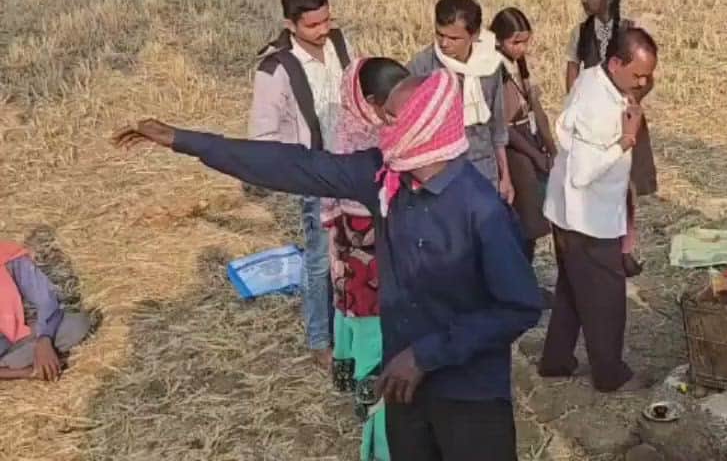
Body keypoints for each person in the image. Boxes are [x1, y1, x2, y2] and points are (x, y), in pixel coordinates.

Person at [115, 69, 542, 461]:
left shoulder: (481, 209)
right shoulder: (384, 178)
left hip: (469, 395)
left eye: (391, 119)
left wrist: (426, 356)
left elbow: (518, 306)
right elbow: (294, 165)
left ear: (422, 128)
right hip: (403, 386)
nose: (381, 127)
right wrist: (185, 141)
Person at [540, 28, 658, 393]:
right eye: (637, 74)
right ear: (615, 63)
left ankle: (556, 360)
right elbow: (582, 173)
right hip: (587, 220)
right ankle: (610, 373)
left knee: (573, 290)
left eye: (648, 75)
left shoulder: (595, 77)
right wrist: (626, 139)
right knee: (605, 300)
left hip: (569, 213)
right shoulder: (599, 107)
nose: (643, 82)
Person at [250, 0, 353, 368]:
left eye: (327, 20)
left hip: (348, 164)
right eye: (313, 25)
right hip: (312, 173)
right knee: (319, 259)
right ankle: (320, 340)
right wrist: (293, 169)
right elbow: (263, 134)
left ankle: (349, 326)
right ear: (290, 24)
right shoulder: (274, 69)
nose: (323, 30)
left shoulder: (340, 44)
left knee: (352, 252)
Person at [324, 57, 409, 461]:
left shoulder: (365, 136)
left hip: (366, 266)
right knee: (377, 349)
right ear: (369, 103)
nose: (399, 118)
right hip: (368, 270)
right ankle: (379, 443)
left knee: (374, 341)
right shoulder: (356, 149)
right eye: (391, 110)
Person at [564, 0, 657, 278]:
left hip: (623, 117)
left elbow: (646, 79)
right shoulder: (580, 33)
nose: (584, 1)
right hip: (593, 120)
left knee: (624, 187)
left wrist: (631, 103)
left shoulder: (629, 32)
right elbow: (572, 74)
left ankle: (625, 249)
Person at [408, 0, 513, 204]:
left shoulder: (490, 65)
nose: (444, 43)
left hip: (483, 165)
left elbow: (497, 125)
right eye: (440, 35)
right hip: (440, 171)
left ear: (473, 36)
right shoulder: (422, 67)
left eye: (454, 38)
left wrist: (505, 177)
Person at [490, 8, 556, 263]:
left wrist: (550, 147)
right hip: (514, 149)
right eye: (515, 42)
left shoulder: (518, 65)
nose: (521, 48)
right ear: (497, 40)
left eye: (525, 41)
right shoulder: (495, 69)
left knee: (533, 219)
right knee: (525, 221)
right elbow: (504, 125)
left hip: (529, 139)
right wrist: (536, 157)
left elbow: (536, 110)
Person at [0, 241, 92, 382]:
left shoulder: (8, 256)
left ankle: (40, 357)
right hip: (6, 353)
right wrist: (26, 373)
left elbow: (47, 303)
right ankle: (27, 365)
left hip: (24, 334)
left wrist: (44, 340)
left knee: (78, 323)